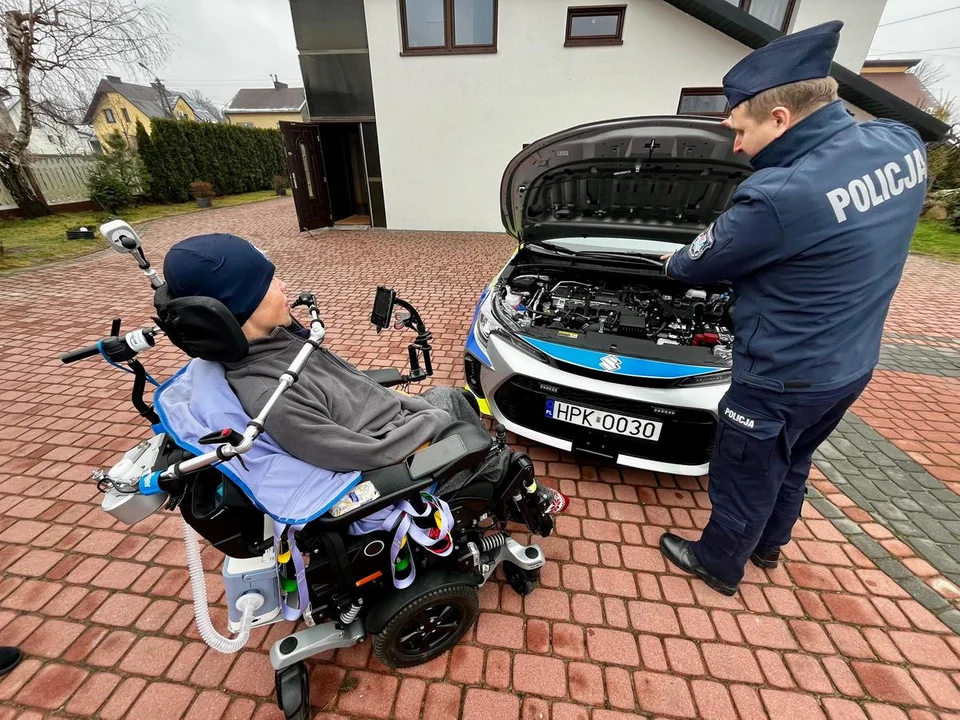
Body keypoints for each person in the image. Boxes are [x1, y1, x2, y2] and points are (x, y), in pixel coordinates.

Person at [658, 20, 928, 596]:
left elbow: (693, 265)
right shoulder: (898, 144)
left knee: (745, 473)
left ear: (780, 118)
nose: (734, 144)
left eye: (740, 128)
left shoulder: (780, 194)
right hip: (851, 363)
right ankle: (771, 545)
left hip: (783, 373)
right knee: (794, 458)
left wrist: (671, 263)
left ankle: (718, 563)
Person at [161, 233, 569, 512]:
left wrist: (418, 409)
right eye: (269, 283)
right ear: (241, 306)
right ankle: (523, 497)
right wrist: (428, 423)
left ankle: (485, 458)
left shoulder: (279, 342)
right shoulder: (271, 393)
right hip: (392, 456)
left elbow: (352, 385)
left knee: (456, 399)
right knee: (498, 458)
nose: (283, 286)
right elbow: (357, 455)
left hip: (393, 420)